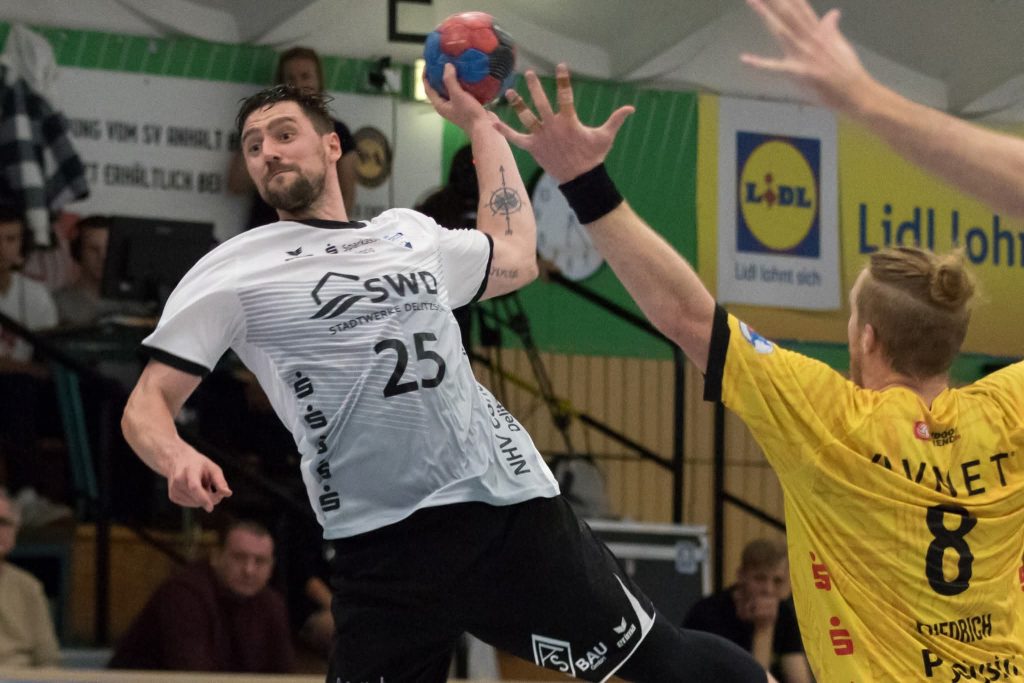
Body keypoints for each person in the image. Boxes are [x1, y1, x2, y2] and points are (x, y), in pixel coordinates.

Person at [120, 66, 771, 682]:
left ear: (332, 146)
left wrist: (483, 129)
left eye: (284, 134)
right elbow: (147, 403)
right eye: (254, 145)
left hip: (504, 513)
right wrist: (176, 456)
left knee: (660, 658)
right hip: (379, 548)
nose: (268, 151)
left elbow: (515, 257)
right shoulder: (234, 269)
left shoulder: (406, 233)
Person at [495, 57, 1024, 680]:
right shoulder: (1008, 409)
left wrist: (582, 178)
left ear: (866, 337)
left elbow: (687, 316)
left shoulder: (831, 418)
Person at [109, 518, 294, 673]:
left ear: (271, 567)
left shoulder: (271, 604)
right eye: (239, 557)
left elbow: (283, 675)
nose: (249, 570)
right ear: (216, 557)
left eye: (260, 561)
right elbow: (194, 675)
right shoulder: (183, 594)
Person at [227, 46, 358, 228]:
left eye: (286, 136)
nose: (298, 84)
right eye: (290, 78)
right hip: (265, 230)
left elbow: (347, 193)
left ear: (332, 145)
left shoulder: (340, 131)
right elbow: (236, 184)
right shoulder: (255, 129)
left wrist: (338, 232)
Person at [683, 539, 810, 683]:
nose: (768, 589)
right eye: (760, 579)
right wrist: (764, 628)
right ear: (741, 576)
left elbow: (799, 678)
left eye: (777, 581)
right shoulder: (707, 614)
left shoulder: (784, 614)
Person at [53, 215, 152, 327]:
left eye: (109, 248)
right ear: (77, 252)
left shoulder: (137, 304)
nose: (103, 257)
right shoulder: (57, 304)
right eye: (94, 249)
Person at [0, 486, 60, 668]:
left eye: (4, 523)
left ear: (16, 530)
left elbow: (48, 659)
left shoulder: (28, 586)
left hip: (21, 676)